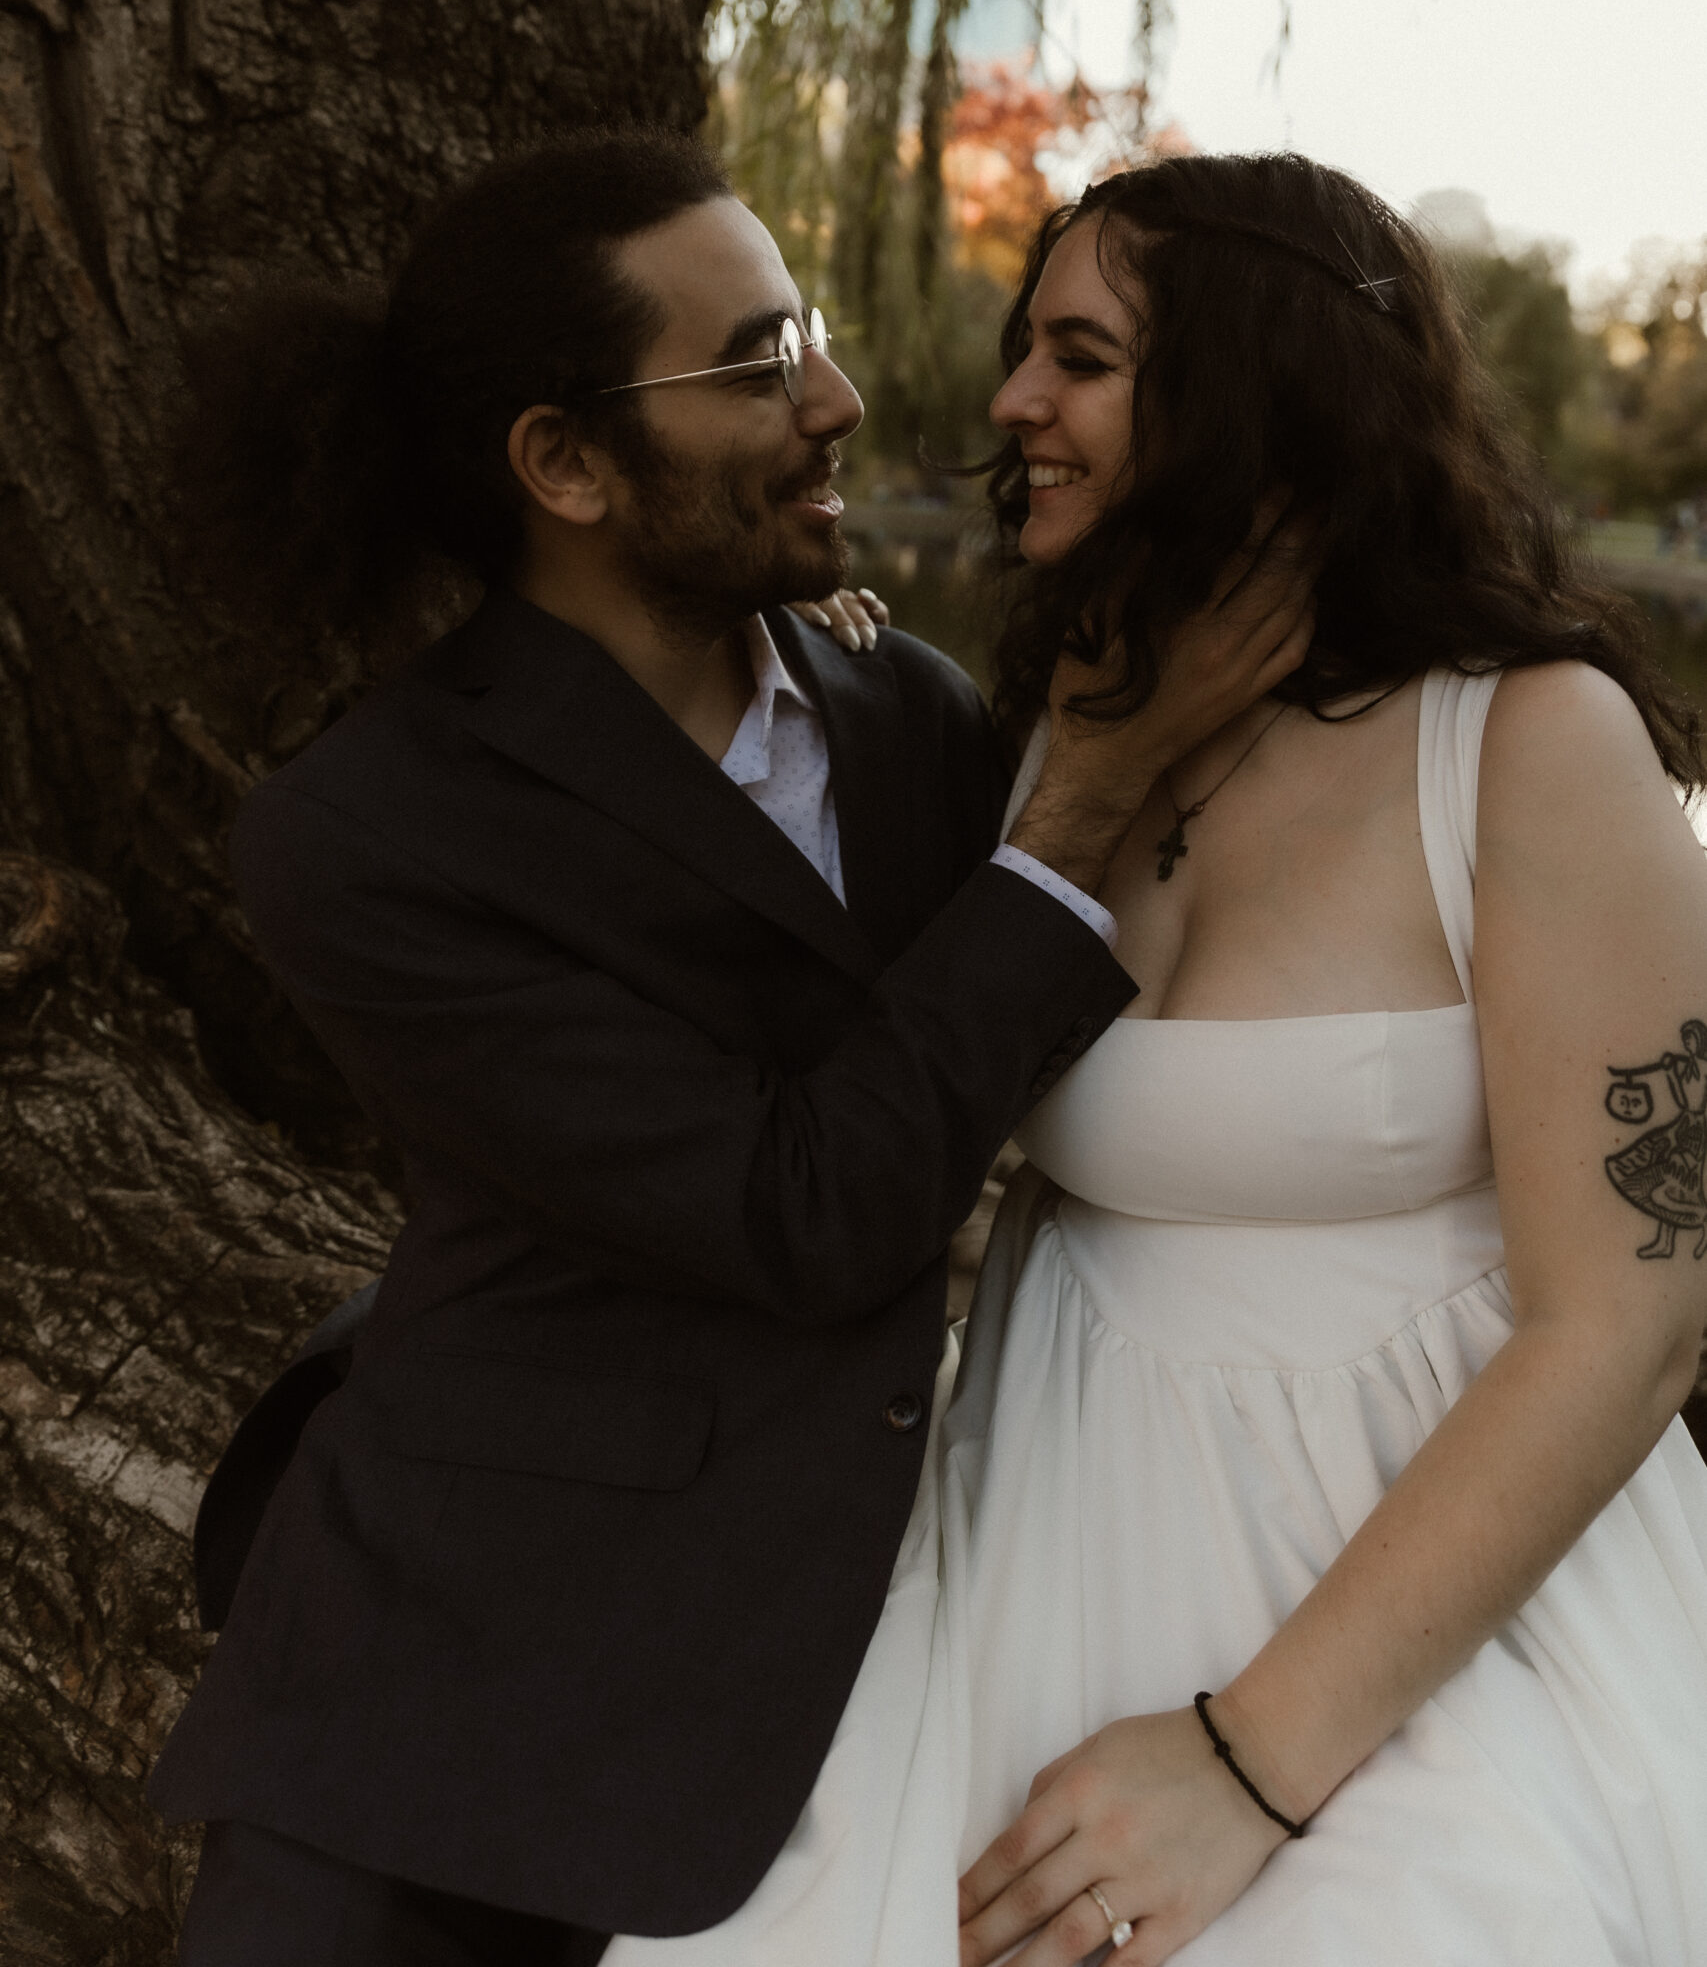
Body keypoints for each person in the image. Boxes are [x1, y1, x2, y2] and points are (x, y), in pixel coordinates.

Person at [148, 130, 1311, 1964]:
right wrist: (1077, 803)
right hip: (447, 1699)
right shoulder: (365, 836)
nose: (837, 398)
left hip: (870, 1675)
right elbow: (801, 1208)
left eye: (813, 336)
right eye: (757, 363)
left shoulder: (909, 715)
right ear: (566, 464)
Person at [599, 150, 1707, 1967]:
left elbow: (1636, 1323)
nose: (1011, 401)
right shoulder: (1042, 736)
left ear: (1264, 391)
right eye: (1027, 349)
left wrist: (1244, 1766)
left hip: (1424, 1597)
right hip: (1039, 1533)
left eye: (1083, 359)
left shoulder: (1523, 746)